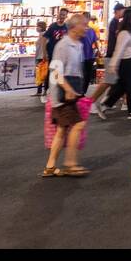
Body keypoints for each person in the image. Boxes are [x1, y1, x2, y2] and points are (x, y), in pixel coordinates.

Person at [43, 13, 89, 177]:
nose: (86, 27)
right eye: (84, 24)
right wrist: (68, 89)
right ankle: (70, 163)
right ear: (74, 27)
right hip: (62, 95)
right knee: (78, 125)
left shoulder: (78, 45)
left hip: (68, 93)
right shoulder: (63, 45)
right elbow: (55, 70)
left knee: (62, 130)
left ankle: (50, 166)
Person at [100, 6, 131, 118]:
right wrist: (113, 64)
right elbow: (119, 49)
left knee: (122, 86)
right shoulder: (124, 33)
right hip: (126, 62)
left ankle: (106, 104)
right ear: (129, 17)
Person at [33, 20, 50, 101]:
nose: (37, 28)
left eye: (38, 26)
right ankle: (40, 91)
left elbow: (44, 46)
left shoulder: (44, 35)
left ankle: (44, 90)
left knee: (43, 74)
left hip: (42, 57)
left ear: (41, 27)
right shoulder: (40, 35)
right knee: (40, 74)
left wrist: (44, 55)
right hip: (39, 56)